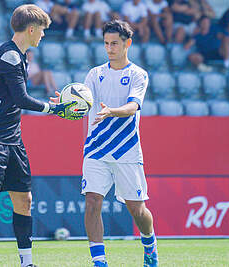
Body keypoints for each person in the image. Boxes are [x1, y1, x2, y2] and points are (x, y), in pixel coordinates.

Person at [0, 4, 84, 267]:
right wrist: (55, 109)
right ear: (32, 29)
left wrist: (52, 105)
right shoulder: (9, 56)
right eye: (42, 31)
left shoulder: (19, 56)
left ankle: (27, 263)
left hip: (12, 137)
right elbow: (21, 98)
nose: (43, 36)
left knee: (24, 200)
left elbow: (17, 99)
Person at [75, 20, 157, 267]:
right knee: (92, 202)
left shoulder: (138, 74)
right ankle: (99, 261)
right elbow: (83, 103)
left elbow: (133, 106)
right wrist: (67, 104)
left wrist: (112, 111)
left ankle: (149, 243)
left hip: (126, 150)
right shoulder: (95, 74)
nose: (109, 48)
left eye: (114, 44)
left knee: (137, 210)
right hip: (96, 148)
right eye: (106, 43)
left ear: (127, 44)